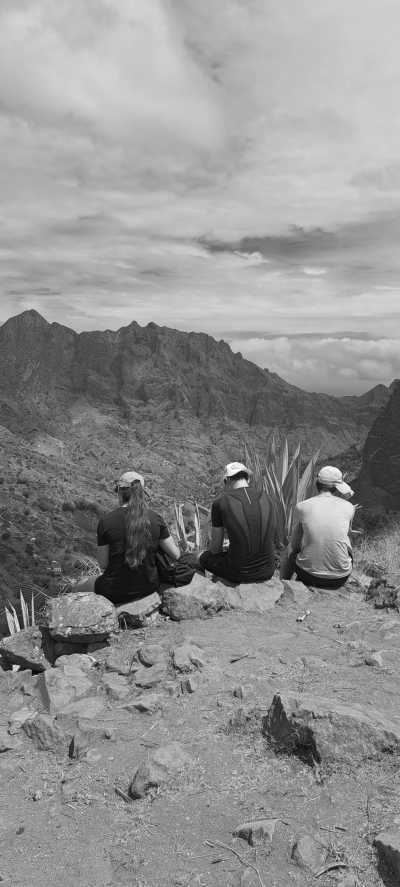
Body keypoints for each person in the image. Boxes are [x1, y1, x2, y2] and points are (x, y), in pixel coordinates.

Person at [94, 470, 180, 604]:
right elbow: (175, 554)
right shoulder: (155, 518)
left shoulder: (106, 521)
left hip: (114, 591)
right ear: (142, 492)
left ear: (119, 492)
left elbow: (103, 564)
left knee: (80, 585)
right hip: (149, 587)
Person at [199, 461, 276, 584]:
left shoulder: (220, 502)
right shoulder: (268, 498)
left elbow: (215, 549)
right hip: (268, 571)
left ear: (226, 481)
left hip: (239, 573)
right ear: (248, 479)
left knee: (202, 556)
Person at [285, 465, 355, 589]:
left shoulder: (302, 506)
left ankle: (285, 583)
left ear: (317, 483)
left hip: (308, 575)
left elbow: (295, 545)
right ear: (337, 488)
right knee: (346, 540)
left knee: (292, 546)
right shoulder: (349, 507)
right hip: (339, 578)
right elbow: (345, 537)